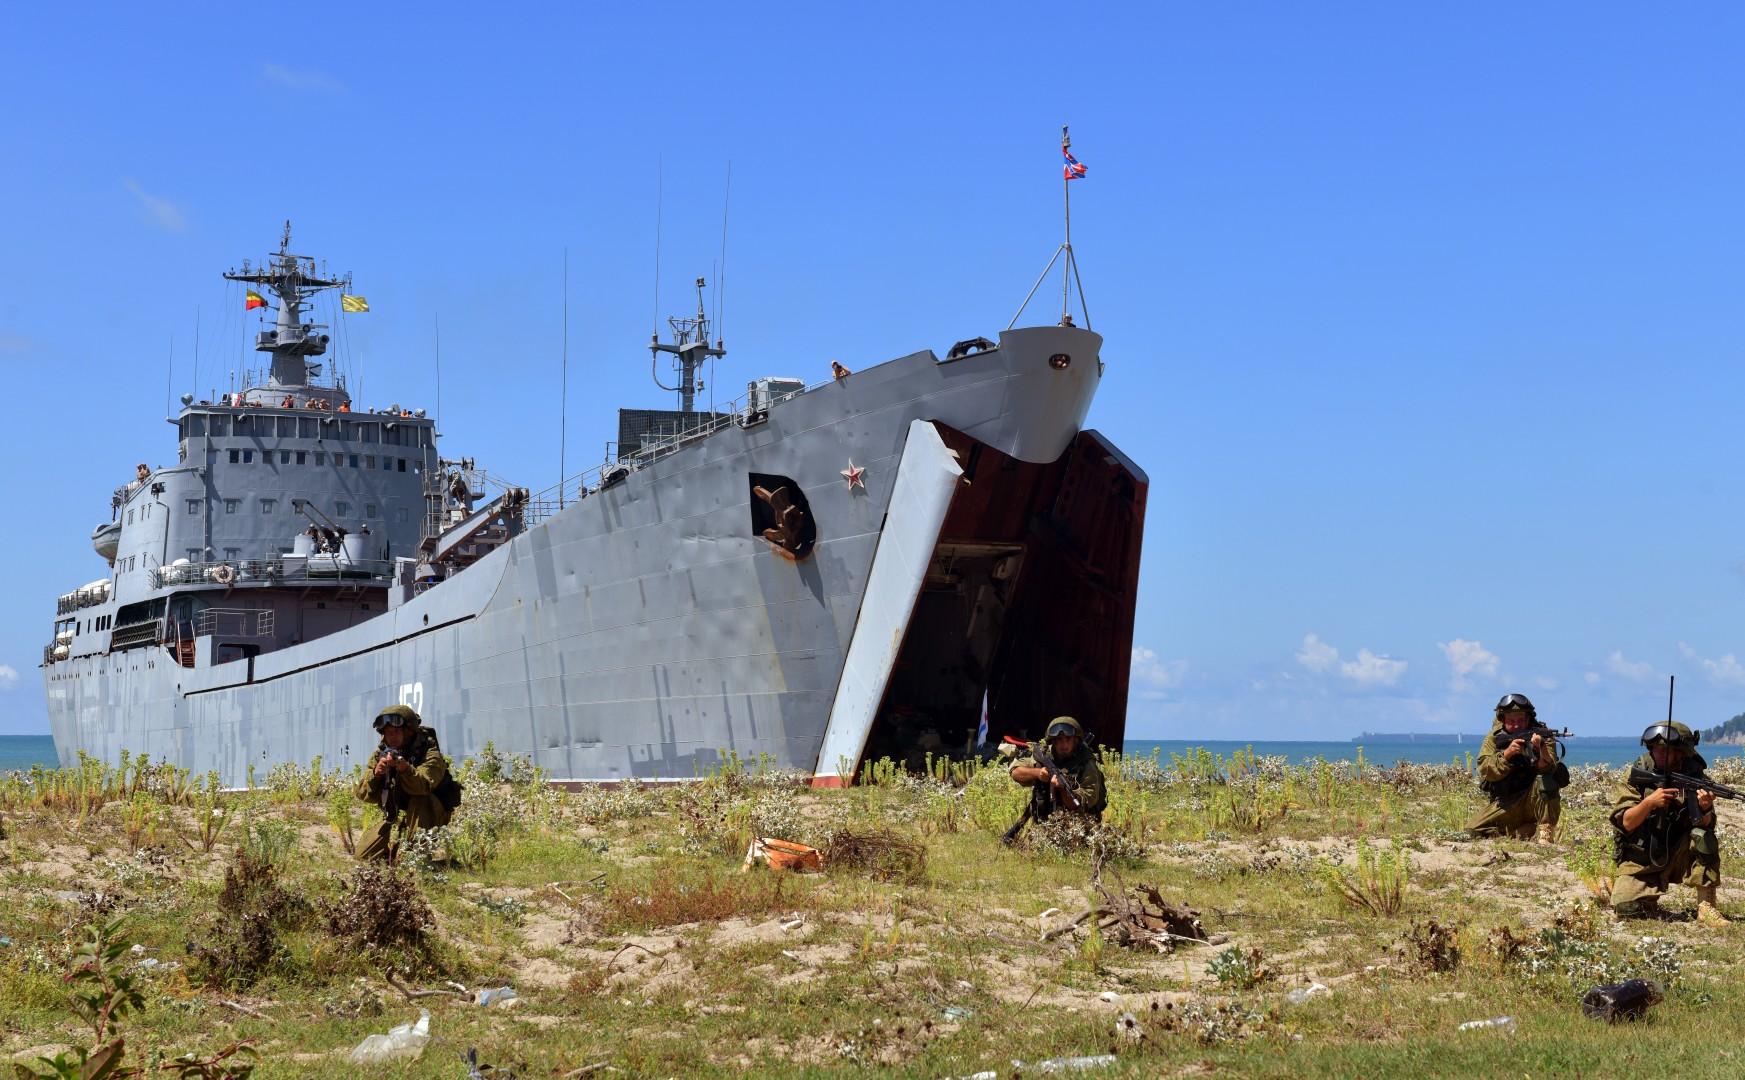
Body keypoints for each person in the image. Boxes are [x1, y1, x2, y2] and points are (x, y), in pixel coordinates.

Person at [1610, 721, 1731, 925]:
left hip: (1678, 855)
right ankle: (1647, 899)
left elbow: (1704, 824)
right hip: (1641, 861)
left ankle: (1706, 906)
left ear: (1681, 752)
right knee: (1627, 910)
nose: (1658, 753)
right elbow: (1626, 823)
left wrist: (1704, 808)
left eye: (1665, 750)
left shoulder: (1696, 779)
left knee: (1703, 837)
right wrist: (1650, 802)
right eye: (1655, 748)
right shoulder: (1636, 775)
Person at [355, 704, 454, 862]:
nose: (391, 736)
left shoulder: (429, 753)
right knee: (363, 857)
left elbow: (424, 786)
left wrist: (405, 769)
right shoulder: (380, 755)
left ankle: (417, 858)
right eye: (388, 732)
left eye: (396, 731)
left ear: (409, 731)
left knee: (421, 800)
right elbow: (363, 794)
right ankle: (396, 852)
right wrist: (376, 774)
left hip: (431, 814)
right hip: (398, 815)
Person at [1467, 692, 1567, 844]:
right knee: (1471, 831)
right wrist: (1507, 754)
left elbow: (1549, 769)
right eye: (1511, 721)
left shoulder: (1542, 735)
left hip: (1533, 800)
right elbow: (1485, 770)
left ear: (1528, 719)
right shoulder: (1494, 738)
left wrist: (1540, 749)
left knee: (1546, 780)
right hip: (1506, 803)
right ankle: (1521, 831)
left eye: (1521, 721)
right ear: (1503, 720)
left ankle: (1546, 832)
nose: (1516, 726)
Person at [1009, 716, 1106, 822]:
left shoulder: (1087, 762)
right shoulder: (1045, 755)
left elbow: (1081, 804)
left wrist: (1062, 788)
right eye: (1059, 739)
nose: (1064, 744)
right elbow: (1015, 771)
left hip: (1079, 825)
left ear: (1076, 740)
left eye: (1068, 739)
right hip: (1045, 821)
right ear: (1053, 741)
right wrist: (1038, 773)